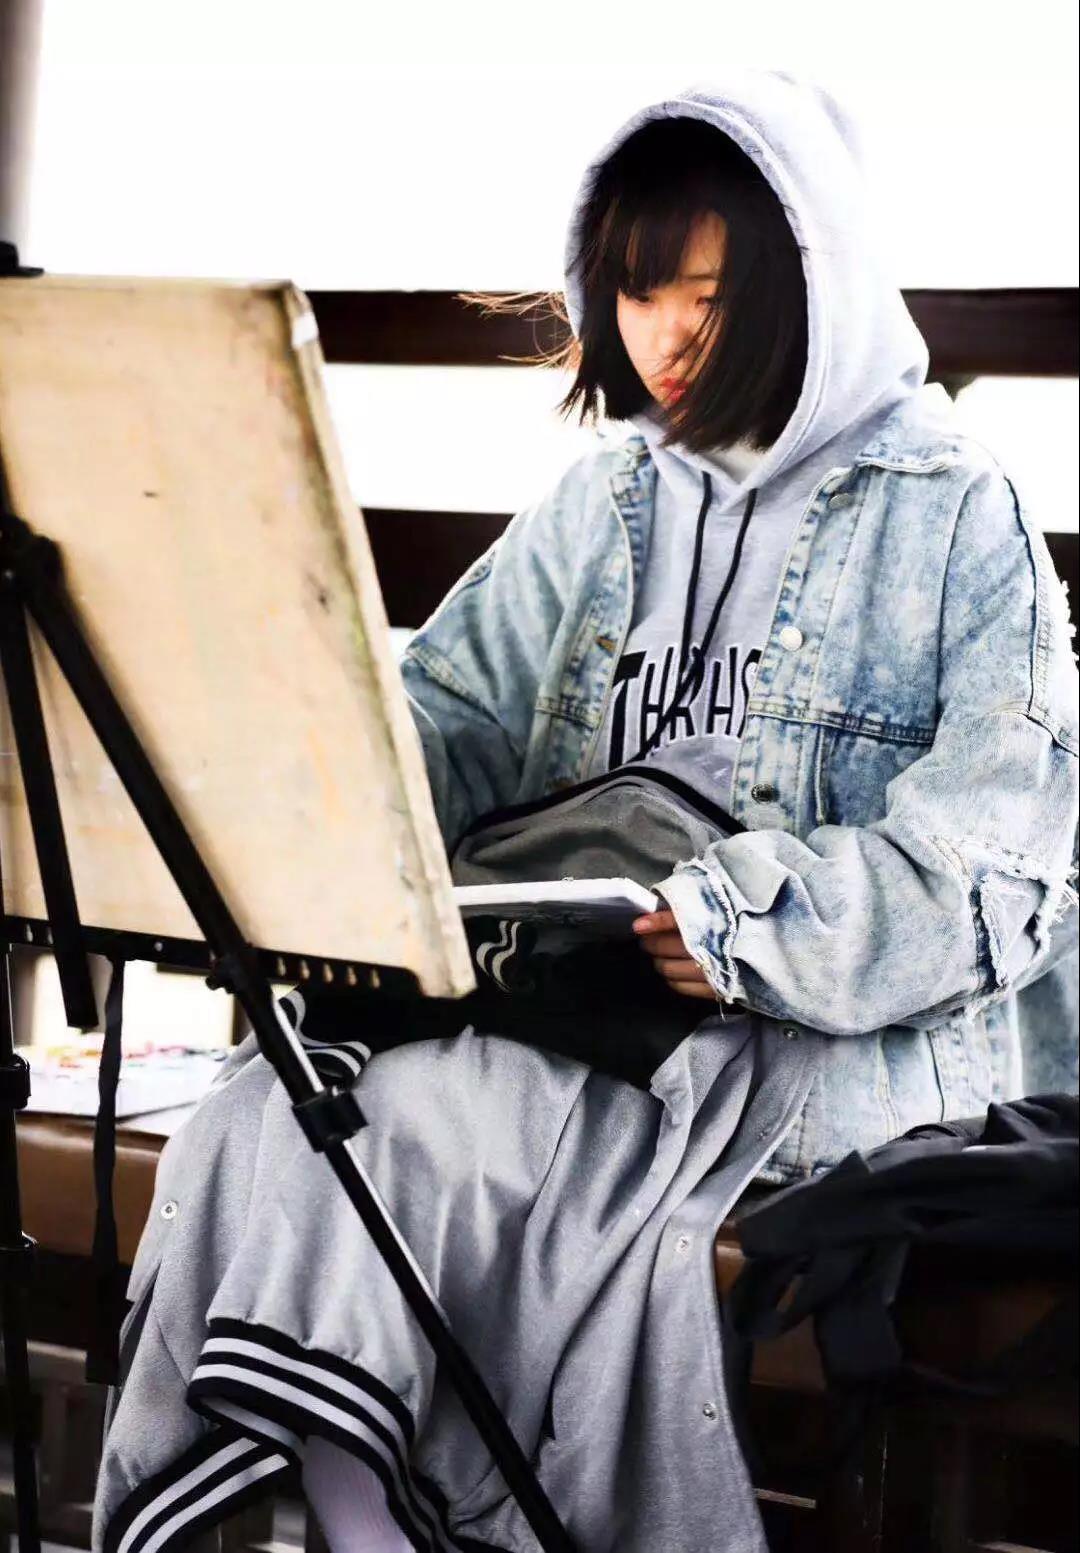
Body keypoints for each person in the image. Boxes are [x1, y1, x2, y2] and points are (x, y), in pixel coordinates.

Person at [93, 70, 1078, 1553]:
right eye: (636, 291)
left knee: (404, 1136)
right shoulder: (607, 502)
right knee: (268, 1116)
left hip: (814, 1052)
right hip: (578, 1020)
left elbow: (997, 876)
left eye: (710, 295)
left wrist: (744, 926)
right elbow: (440, 730)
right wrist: (287, 782)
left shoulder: (953, 513)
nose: (666, 335)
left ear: (812, 282)